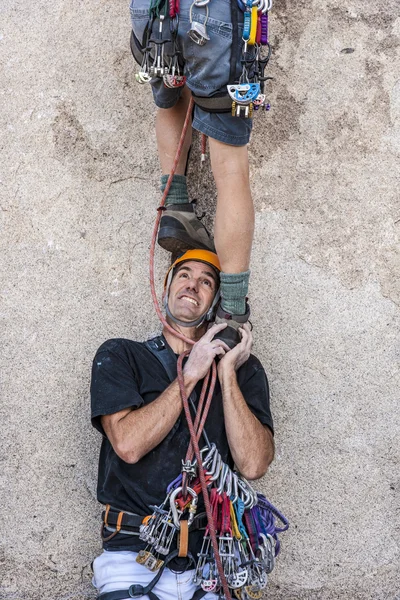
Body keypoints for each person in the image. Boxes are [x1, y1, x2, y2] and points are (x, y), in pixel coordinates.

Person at [90, 249, 274, 600]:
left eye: (206, 281)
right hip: (133, 554)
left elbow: (253, 464)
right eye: (184, 275)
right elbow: (128, 445)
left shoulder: (243, 371)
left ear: (217, 302)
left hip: (213, 557)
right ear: (166, 287)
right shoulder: (121, 356)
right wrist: (189, 373)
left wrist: (225, 375)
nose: (192, 285)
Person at [129, 0, 263, 347]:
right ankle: (232, 311)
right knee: (231, 167)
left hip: (152, 10)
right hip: (214, 14)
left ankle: (174, 206)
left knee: (171, 93)